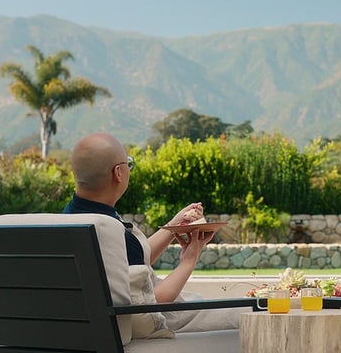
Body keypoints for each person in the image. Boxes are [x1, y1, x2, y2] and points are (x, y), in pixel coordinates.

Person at [64, 132, 242, 333]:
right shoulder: (111, 232)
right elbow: (152, 303)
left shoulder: (70, 221)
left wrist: (173, 225)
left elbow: (134, 259)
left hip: (96, 327)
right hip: (156, 324)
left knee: (197, 298)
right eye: (128, 164)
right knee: (249, 313)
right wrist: (190, 259)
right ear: (118, 173)